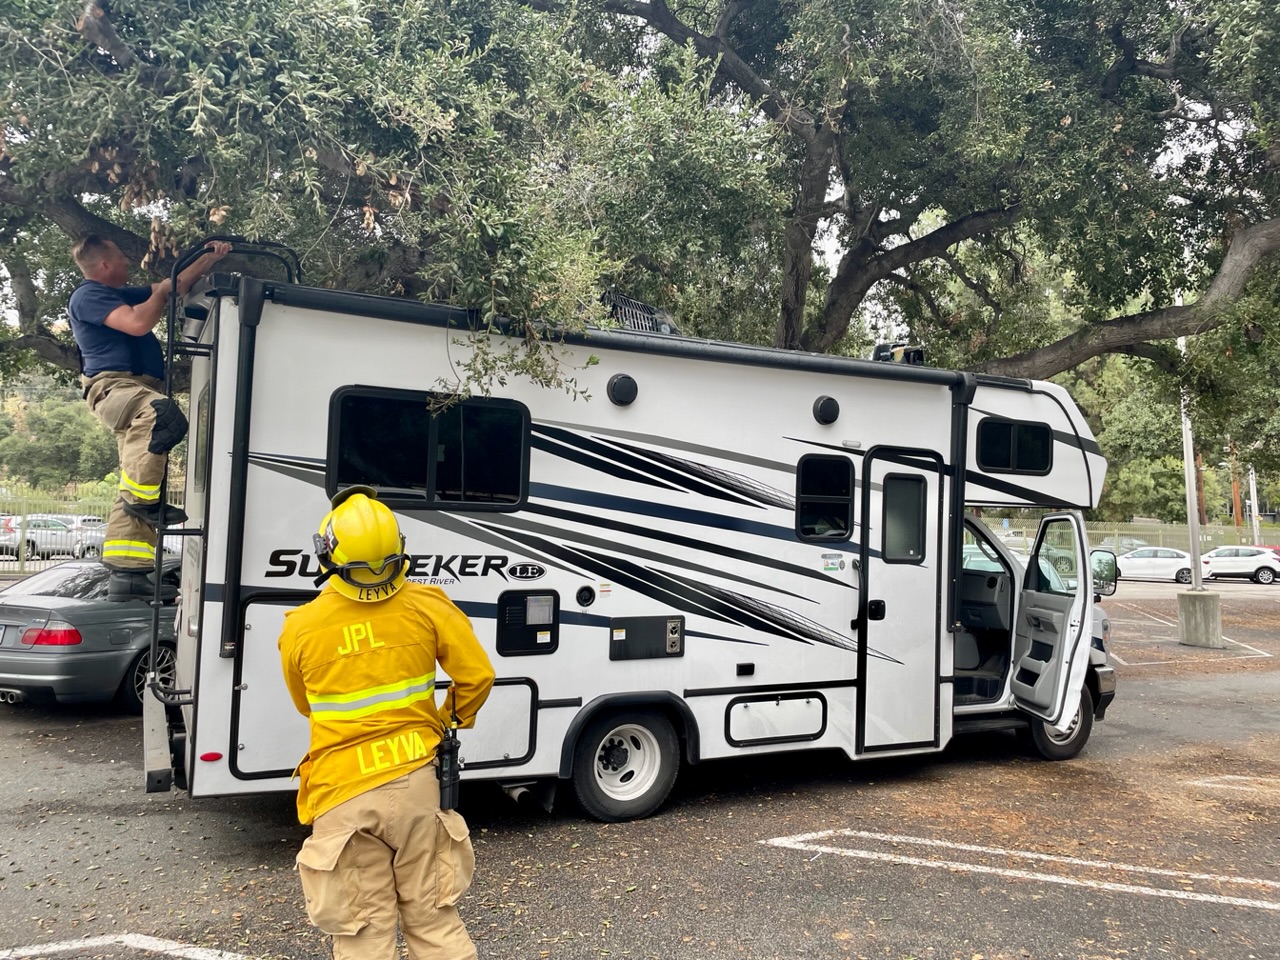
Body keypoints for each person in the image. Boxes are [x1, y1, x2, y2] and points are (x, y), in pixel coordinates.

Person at [278, 486, 495, 960]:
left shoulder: (301, 627)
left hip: (341, 793)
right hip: (417, 782)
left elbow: (305, 705)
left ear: (327, 555)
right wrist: (446, 720)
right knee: (433, 920)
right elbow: (477, 676)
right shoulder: (428, 605)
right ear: (399, 551)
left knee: (363, 934)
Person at [68, 235, 231, 600]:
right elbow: (139, 323)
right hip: (114, 386)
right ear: (104, 264)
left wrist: (211, 257)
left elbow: (173, 285)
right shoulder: (89, 296)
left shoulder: (118, 294)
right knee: (161, 414)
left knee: (135, 476)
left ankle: (128, 575)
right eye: (121, 258)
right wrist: (158, 295)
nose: (128, 263)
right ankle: (143, 502)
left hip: (134, 387)